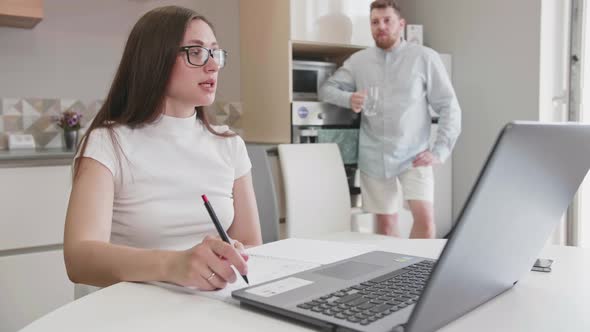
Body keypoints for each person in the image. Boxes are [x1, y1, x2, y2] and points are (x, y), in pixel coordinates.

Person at [63, 6, 262, 293]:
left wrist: (234, 254)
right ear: (154, 60)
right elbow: (78, 260)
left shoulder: (229, 144)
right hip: (126, 311)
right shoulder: (108, 142)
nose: (213, 65)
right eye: (195, 52)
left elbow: (251, 245)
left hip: (206, 308)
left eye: (215, 53)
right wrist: (174, 266)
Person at [319, 0, 461, 238]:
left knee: (425, 221)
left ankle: (419, 274)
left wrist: (439, 151)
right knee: (385, 227)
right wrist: (349, 98)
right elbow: (327, 89)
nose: (381, 26)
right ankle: (392, 275)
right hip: (374, 156)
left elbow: (449, 105)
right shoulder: (358, 61)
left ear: (401, 24)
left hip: (414, 155)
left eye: (387, 20)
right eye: (375, 22)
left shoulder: (424, 57)